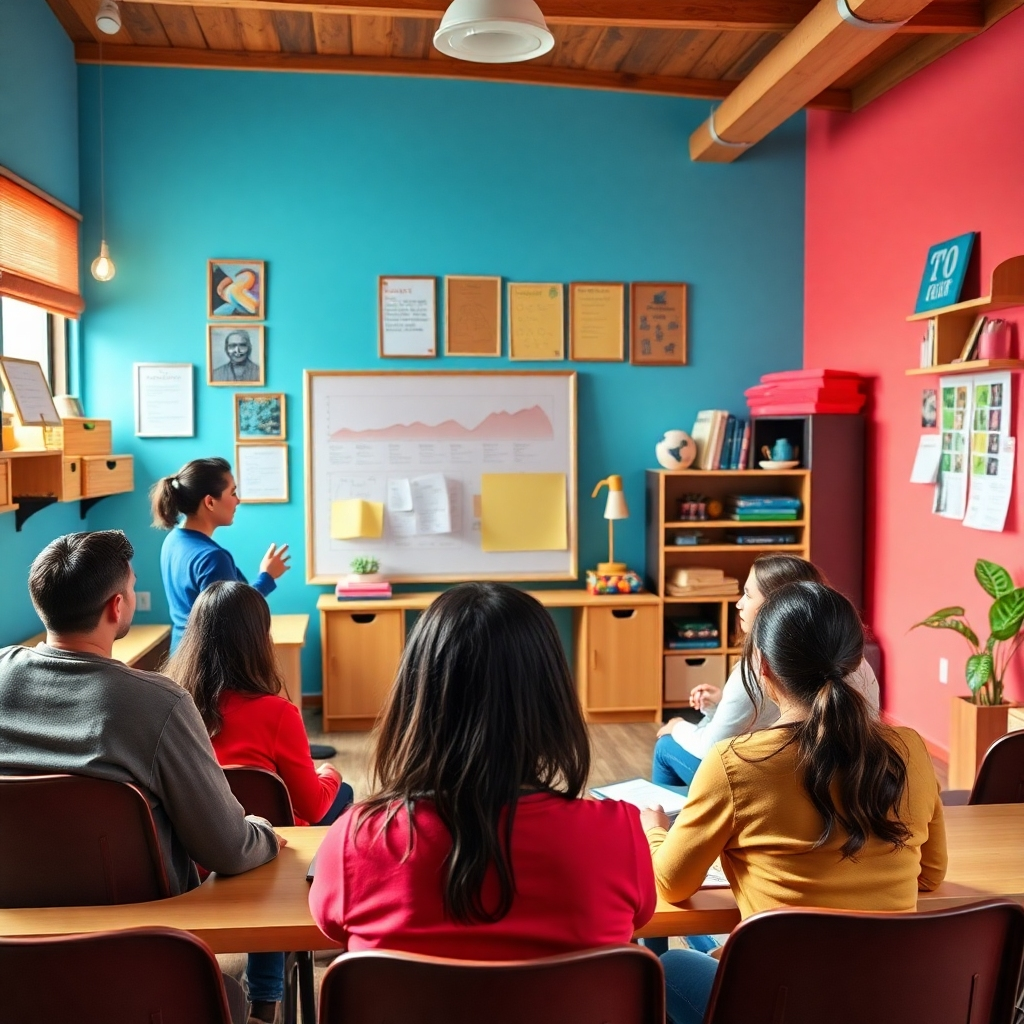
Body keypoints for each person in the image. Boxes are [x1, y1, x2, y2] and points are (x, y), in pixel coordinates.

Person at [640, 582, 947, 1024]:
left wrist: (656, 831)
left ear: (763, 666)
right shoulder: (910, 750)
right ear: (854, 661)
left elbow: (671, 885)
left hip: (780, 1003)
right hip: (886, 1001)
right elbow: (930, 875)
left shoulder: (735, 763)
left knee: (666, 967)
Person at [309, 582, 656, 957]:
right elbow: (640, 917)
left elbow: (330, 926)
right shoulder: (619, 834)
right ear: (553, 698)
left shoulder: (355, 838)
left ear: (415, 698)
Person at [0, 530, 281, 897]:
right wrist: (263, 832)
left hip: (13, 924)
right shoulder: (159, 703)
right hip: (144, 927)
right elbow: (230, 851)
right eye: (132, 587)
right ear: (116, 606)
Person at [167, 580, 352, 1024]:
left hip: (190, 852)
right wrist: (331, 773)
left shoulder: (173, 705)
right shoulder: (277, 712)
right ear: (259, 640)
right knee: (332, 801)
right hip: (262, 849)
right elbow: (312, 803)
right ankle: (321, 931)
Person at [653, 554, 880, 788]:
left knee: (665, 746)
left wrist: (677, 725)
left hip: (777, 785)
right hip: (845, 783)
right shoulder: (855, 662)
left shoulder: (757, 668)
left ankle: (676, 811)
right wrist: (720, 705)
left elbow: (711, 747)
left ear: (776, 607)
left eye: (748, 595)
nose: (739, 603)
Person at [151, 457, 290, 649]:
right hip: (208, 662)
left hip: (180, 653)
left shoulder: (173, 540)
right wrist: (267, 577)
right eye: (232, 493)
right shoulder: (213, 558)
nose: (237, 501)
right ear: (210, 502)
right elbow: (236, 619)